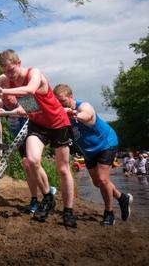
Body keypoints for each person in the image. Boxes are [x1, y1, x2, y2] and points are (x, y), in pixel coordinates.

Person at [0, 49, 77, 227]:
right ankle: (48, 196)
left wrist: (2, 90)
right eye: (4, 71)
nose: (8, 74)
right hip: (38, 123)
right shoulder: (5, 79)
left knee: (63, 169)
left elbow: (30, 89)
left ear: (19, 63)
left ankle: (68, 211)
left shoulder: (34, 73)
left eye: (10, 70)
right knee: (31, 161)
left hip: (58, 123)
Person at [53, 83, 133, 226]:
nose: (60, 104)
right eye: (57, 102)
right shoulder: (61, 112)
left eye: (62, 101)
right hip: (88, 151)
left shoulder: (83, 106)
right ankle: (122, 198)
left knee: (103, 180)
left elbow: (88, 115)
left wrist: (74, 114)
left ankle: (109, 213)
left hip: (106, 143)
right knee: (97, 183)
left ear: (71, 97)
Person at [0, 95, 56, 213]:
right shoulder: (3, 103)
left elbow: (28, 111)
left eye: (10, 98)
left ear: (16, 96)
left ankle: (46, 191)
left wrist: (5, 112)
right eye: (5, 100)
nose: (7, 101)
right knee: (28, 166)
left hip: (33, 136)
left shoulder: (26, 99)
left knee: (32, 164)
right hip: (20, 139)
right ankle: (38, 196)